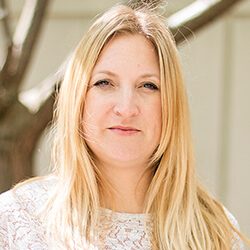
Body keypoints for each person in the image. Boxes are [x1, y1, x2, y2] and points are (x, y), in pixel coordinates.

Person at [0, 1, 249, 249]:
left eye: (148, 86)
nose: (127, 108)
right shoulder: (16, 221)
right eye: (105, 83)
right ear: (79, 99)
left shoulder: (215, 232)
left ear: (171, 105)